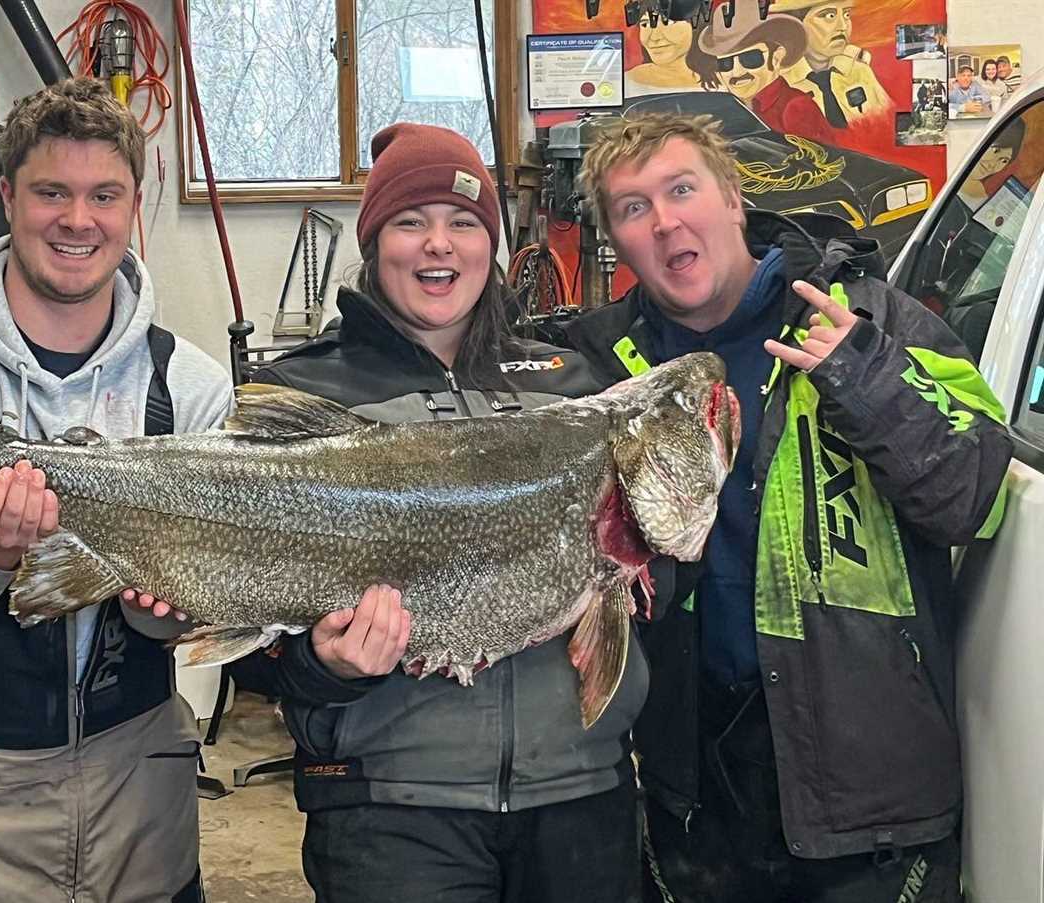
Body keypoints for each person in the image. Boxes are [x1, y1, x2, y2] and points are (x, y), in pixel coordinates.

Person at [565, 112, 1012, 902]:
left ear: (733, 199)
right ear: (617, 241)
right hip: (696, 792)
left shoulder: (876, 317)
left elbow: (974, 501)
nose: (665, 220)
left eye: (681, 189)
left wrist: (866, 377)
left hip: (871, 800)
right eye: (634, 208)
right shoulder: (600, 371)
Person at [230, 122, 656, 903]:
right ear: (373, 241)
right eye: (409, 221)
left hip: (581, 799)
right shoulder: (300, 396)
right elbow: (243, 636)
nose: (439, 245)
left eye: (464, 222)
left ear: (490, 244)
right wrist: (323, 669)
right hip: (390, 814)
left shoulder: (573, 385)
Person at [0, 78, 233, 902]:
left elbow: (200, 616)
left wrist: (154, 607)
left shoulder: (191, 389)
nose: (77, 220)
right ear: (7, 196)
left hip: (141, 794)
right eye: (51, 192)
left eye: (104, 194)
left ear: (137, 201)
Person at [695, 0, 834, 142]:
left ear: (776, 57)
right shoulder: (728, 113)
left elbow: (820, 162)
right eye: (725, 63)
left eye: (750, 58)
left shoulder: (796, 108)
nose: (736, 72)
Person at [769, 0, 891, 126]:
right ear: (795, 26)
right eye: (829, 16)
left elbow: (886, 122)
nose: (843, 26)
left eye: (847, 15)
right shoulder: (778, 84)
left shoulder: (859, 72)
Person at [626, 0, 720, 95]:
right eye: (645, 24)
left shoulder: (726, 81)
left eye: (669, 22)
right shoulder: (626, 82)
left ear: (697, 24)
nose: (654, 37)